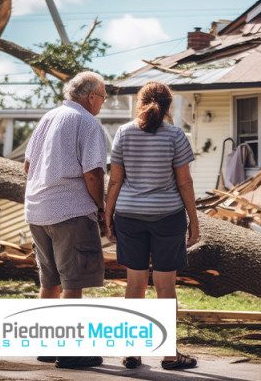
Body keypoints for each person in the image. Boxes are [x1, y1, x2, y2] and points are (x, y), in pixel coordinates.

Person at [105, 81, 199, 370]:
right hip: (167, 216)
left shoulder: (124, 132)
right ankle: (169, 354)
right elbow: (184, 182)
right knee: (164, 285)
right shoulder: (175, 135)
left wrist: (108, 218)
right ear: (168, 106)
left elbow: (116, 181)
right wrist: (193, 222)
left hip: (130, 216)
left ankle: (132, 351)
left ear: (140, 102)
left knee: (135, 283)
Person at [24, 71, 107, 369]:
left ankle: (47, 346)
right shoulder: (88, 122)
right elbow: (93, 173)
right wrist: (101, 207)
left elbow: (27, 165)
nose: (103, 104)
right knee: (74, 281)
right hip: (70, 211)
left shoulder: (49, 117)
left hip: (37, 210)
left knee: (50, 281)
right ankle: (72, 351)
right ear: (91, 97)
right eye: (104, 98)